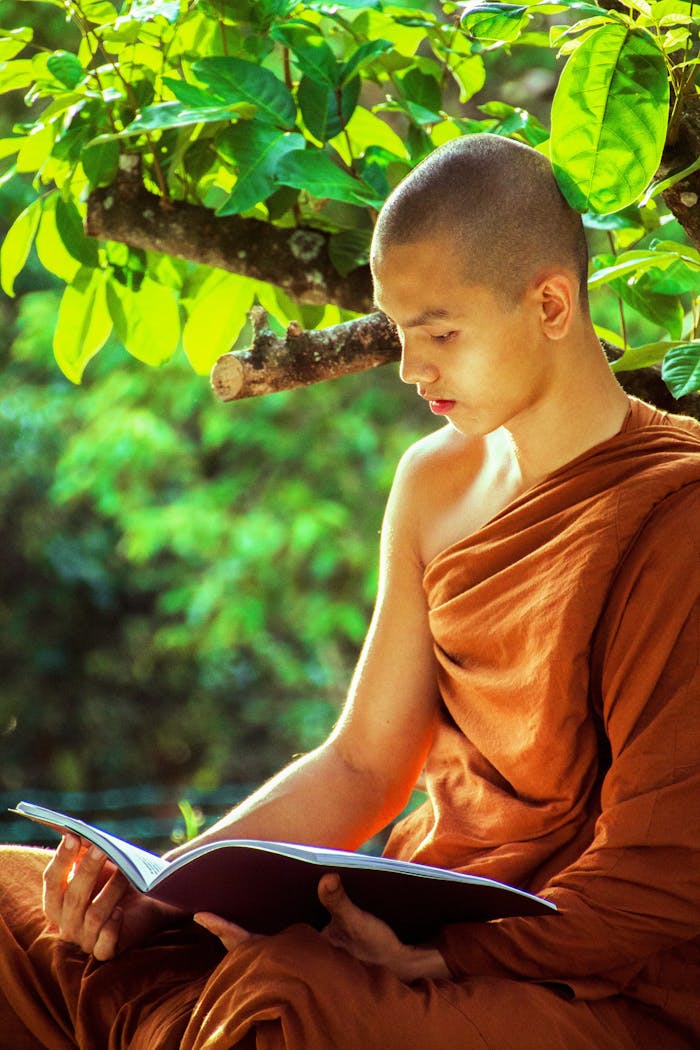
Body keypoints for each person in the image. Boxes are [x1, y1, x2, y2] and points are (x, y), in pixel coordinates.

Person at [1, 134, 699, 1050]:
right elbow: (365, 763)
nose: (414, 369)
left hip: (576, 980)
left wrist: (452, 961)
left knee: (284, 997)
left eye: (441, 332)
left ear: (552, 304)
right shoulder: (434, 482)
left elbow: (662, 871)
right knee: (21, 914)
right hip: (403, 931)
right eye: (400, 331)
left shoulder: (675, 511)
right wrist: (161, 891)